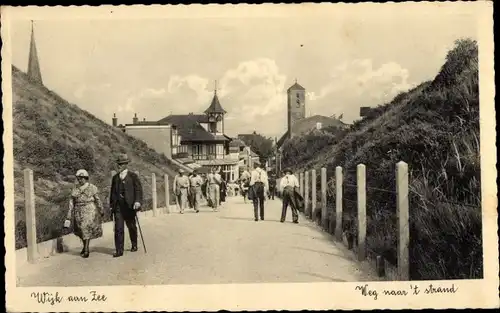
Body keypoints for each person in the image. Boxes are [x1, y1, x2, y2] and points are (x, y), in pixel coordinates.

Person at [109, 154, 143, 257]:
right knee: (118, 228)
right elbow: (112, 193)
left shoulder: (133, 176)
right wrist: (111, 205)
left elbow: (138, 189)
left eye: (121, 164)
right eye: (118, 164)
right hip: (118, 206)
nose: (119, 166)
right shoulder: (115, 178)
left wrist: (137, 201)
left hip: (130, 206)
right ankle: (119, 250)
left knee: (131, 226)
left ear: (126, 164)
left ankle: (134, 244)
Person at [64, 169, 104, 258]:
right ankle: (85, 246)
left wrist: (101, 209)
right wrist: (69, 215)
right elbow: (71, 202)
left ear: (86, 178)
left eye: (82, 178)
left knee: (85, 228)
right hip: (78, 210)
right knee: (80, 230)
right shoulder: (75, 189)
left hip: (89, 209)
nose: (80, 180)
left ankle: (86, 250)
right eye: (79, 178)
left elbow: (97, 199)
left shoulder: (92, 187)